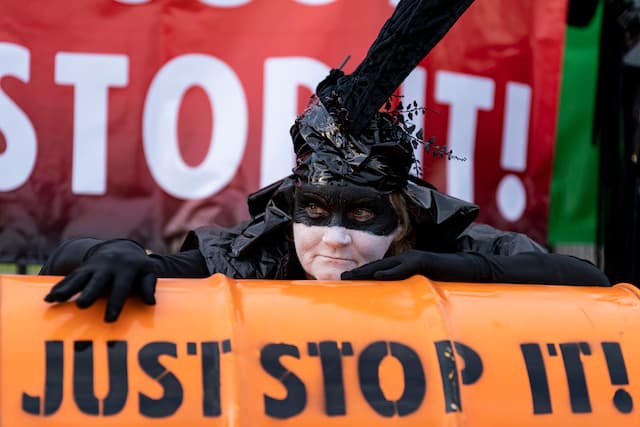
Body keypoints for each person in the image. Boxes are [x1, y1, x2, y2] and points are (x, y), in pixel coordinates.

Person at [40, 0, 610, 322]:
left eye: (362, 218)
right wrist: (114, 252)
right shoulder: (261, 254)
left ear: (404, 218)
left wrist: (447, 273)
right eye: (313, 210)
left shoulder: (445, 250)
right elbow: (73, 260)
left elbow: (590, 283)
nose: (332, 241)